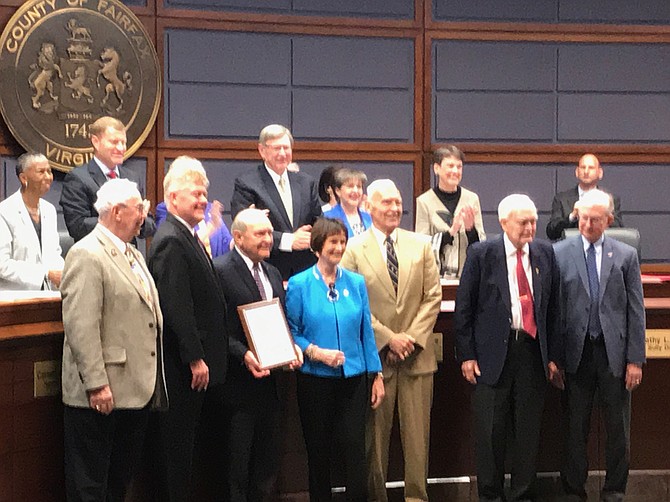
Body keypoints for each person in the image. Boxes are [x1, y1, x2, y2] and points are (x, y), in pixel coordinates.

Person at [60, 178, 166, 501]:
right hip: (101, 393)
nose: (144, 217)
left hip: (134, 391)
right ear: (117, 212)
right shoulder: (86, 254)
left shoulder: (133, 253)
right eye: (139, 209)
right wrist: (96, 384)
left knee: (118, 484)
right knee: (90, 487)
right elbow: (81, 325)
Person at [454, 193, 560, 502]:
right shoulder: (481, 253)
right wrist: (468, 354)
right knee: (490, 433)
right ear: (503, 223)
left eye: (534, 222)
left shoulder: (544, 253)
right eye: (523, 222)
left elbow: (553, 308)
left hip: (531, 353)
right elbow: (465, 308)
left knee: (527, 433)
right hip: (491, 355)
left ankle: (522, 495)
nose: (530, 228)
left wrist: (552, 355)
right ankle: (490, 496)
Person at [340, 180, 441, 502]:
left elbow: (433, 297)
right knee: (375, 443)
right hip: (375, 360)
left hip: (417, 358)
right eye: (386, 203)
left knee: (417, 442)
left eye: (398, 202)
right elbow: (350, 302)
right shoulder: (353, 248)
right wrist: (387, 338)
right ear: (369, 207)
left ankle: (417, 498)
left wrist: (409, 338)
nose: (395, 208)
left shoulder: (421, 245)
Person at [552, 189, 645, 502]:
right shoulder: (559, 252)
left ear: (609, 220)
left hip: (613, 355)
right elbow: (553, 308)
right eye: (583, 217)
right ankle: (573, 490)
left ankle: (615, 490)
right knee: (575, 429)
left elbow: (636, 310)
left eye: (595, 219)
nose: (587, 224)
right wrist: (554, 358)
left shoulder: (625, 254)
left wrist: (635, 360)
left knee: (618, 430)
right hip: (576, 354)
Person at [148, 156, 228, 502]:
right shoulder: (170, 240)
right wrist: (195, 357)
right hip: (181, 371)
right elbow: (176, 306)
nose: (202, 200)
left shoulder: (189, 236)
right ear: (172, 198)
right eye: (195, 194)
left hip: (195, 370)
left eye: (205, 195)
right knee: (176, 455)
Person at [287, 217, 384, 502]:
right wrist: (316, 352)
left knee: (355, 448)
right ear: (318, 246)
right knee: (319, 451)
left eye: (342, 242)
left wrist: (375, 375)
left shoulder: (355, 282)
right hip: (315, 379)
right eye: (333, 242)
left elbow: (366, 330)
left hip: (353, 379)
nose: (339, 247)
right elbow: (292, 332)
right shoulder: (300, 284)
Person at [213, 208, 302, 502]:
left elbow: (281, 321)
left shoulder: (273, 272)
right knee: (236, 467)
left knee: (267, 466)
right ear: (238, 237)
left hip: (272, 385)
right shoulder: (220, 270)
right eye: (260, 233)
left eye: (269, 233)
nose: (268, 239)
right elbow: (215, 328)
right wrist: (243, 354)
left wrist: (292, 347)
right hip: (238, 387)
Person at [230, 124, 322, 280]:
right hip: (268, 270)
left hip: (306, 272)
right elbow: (242, 229)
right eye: (276, 148)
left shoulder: (307, 183)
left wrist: (311, 238)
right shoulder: (247, 184)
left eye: (286, 148)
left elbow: (319, 221)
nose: (282, 153)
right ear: (262, 150)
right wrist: (289, 240)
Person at [60, 116, 155, 243]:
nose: (121, 148)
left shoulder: (132, 178)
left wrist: (139, 218)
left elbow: (150, 226)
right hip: (95, 256)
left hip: (127, 257)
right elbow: (78, 226)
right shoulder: (78, 178)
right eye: (114, 142)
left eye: (123, 142)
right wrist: (124, 217)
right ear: (96, 142)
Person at [415, 145, 485, 277]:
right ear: (436, 168)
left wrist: (470, 230)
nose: (455, 171)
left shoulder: (472, 199)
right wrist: (451, 232)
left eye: (459, 167)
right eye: (450, 166)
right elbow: (422, 246)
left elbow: (481, 246)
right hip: (436, 279)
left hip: (467, 276)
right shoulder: (424, 201)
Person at [0, 152, 63, 290]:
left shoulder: (49, 210)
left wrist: (63, 273)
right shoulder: (4, 212)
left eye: (49, 171)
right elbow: (2, 264)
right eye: (41, 172)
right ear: (23, 178)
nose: (48, 177)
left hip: (47, 295)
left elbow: (54, 253)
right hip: (14, 298)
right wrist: (45, 274)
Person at [546, 153, 623, 241]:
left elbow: (618, 229)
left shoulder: (610, 199)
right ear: (577, 172)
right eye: (583, 167)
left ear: (600, 173)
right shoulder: (561, 199)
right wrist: (572, 217)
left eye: (591, 168)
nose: (586, 171)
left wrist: (601, 215)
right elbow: (551, 232)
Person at [156, 200, 232, 258]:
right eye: (196, 193)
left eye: (203, 193)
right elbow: (177, 247)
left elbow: (229, 244)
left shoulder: (210, 209)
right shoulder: (167, 209)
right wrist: (211, 228)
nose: (202, 199)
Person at [323, 168, 373, 237]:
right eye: (350, 186)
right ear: (338, 191)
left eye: (359, 187)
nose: (355, 191)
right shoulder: (327, 218)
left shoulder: (370, 218)